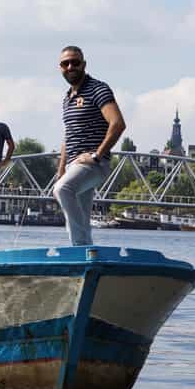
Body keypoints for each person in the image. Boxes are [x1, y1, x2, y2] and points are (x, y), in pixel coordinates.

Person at [52, 45, 126, 246]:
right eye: (65, 63)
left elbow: (118, 123)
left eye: (75, 62)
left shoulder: (98, 89)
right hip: (72, 165)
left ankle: (79, 246)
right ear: (60, 68)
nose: (70, 66)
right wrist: (61, 169)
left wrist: (97, 155)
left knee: (62, 190)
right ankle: (85, 254)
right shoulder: (67, 98)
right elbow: (69, 135)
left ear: (83, 64)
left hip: (91, 164)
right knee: (81, 215)